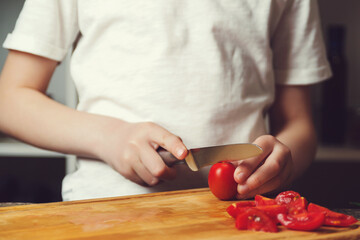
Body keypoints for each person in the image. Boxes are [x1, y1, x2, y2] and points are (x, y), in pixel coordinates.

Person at [0, 0, 331, 201]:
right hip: (104, 213)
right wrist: (109, 138)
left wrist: (282, 162)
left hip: (240, 216)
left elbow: (299, 125)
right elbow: (9, 100)